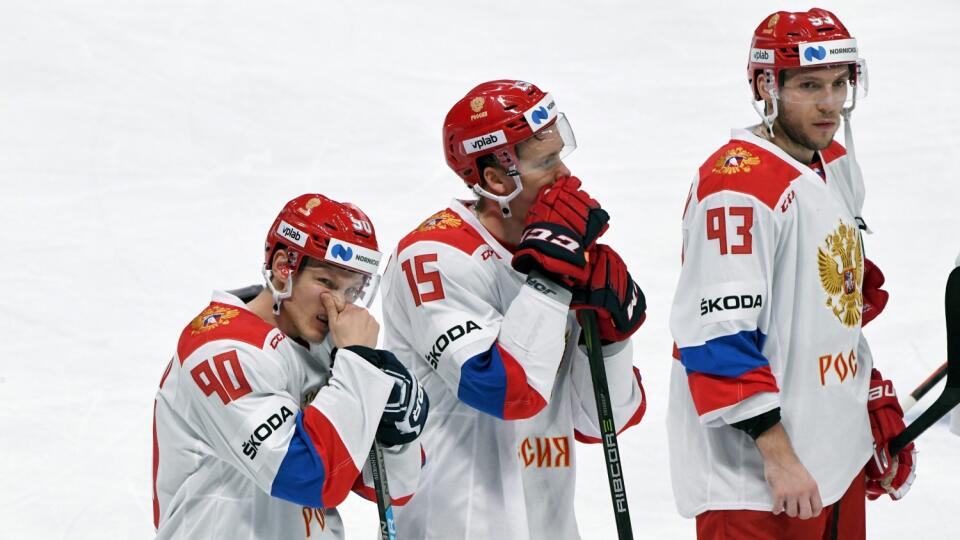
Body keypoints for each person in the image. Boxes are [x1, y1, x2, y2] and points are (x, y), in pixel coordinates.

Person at [667, 8, 916, 539]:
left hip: (831, 464)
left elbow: (836, 310)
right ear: (766, 85)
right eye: (809, 85)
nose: (830, 103)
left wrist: (864, 405)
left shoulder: (836, 163)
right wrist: (779, 458)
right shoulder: (735, 188)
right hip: (760, 483)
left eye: (839, 83)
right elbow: (716, 338)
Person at [379, 79, 647, 539]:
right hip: (458, 524)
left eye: (561, 155)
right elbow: (504, 391)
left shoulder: (554, 249)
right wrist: (551, 278)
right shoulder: (433, 256)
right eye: (546, 162)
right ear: (496, 178)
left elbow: (604, 420)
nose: (566, 175)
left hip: (550, 522)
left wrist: (611, 339)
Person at [152, 194, 429, 539]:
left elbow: (389, 489)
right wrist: (357, 367)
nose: (338, 304)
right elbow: (304, 475)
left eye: (353, 290)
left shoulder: (329, 348)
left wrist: (396, 435)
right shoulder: (220, 349)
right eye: (326, 283)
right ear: (284, 267)